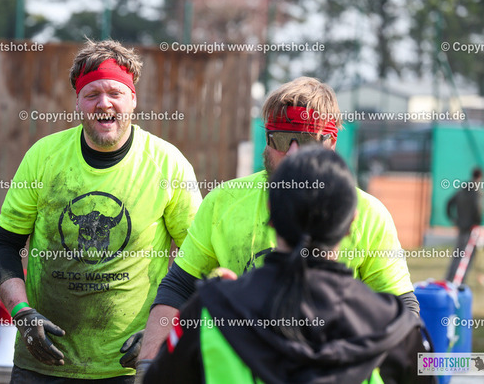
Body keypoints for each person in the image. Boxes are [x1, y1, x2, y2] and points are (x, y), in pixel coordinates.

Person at [134, 77, 420, 376]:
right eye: (282, 140)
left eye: (307, 141)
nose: (293, 154)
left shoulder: (371, 214)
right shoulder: (224, 201)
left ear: (331, 142)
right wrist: (148, 359)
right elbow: (179, 286)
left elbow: (404, 305)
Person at [0, 39, 202, 382]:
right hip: (42, 363)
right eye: (92, 94)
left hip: (130, 366)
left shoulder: (167, 164)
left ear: (133, 99)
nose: (104, 103)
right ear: (77, 102)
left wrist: (159, 332)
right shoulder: (44, 158)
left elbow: (199, 260)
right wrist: (22, 314)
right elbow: (4, 245)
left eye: (115, 93)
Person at [143, 147, 431, 384]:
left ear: (270, 211)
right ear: (352, 221)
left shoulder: (211, 311)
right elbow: (428, 368)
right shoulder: (394, 326)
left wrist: (225, 297)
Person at [445, 167, 484, 282]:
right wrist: (477, 222)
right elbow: (478, 209)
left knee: (457, 254)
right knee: (467, 255)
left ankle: (450, 278)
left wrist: (453, 219)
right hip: (471, 228)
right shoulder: (477, 191)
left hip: (461, 226)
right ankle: (460, 280)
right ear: (480, 177)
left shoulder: (463, 188)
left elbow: (449, 202)